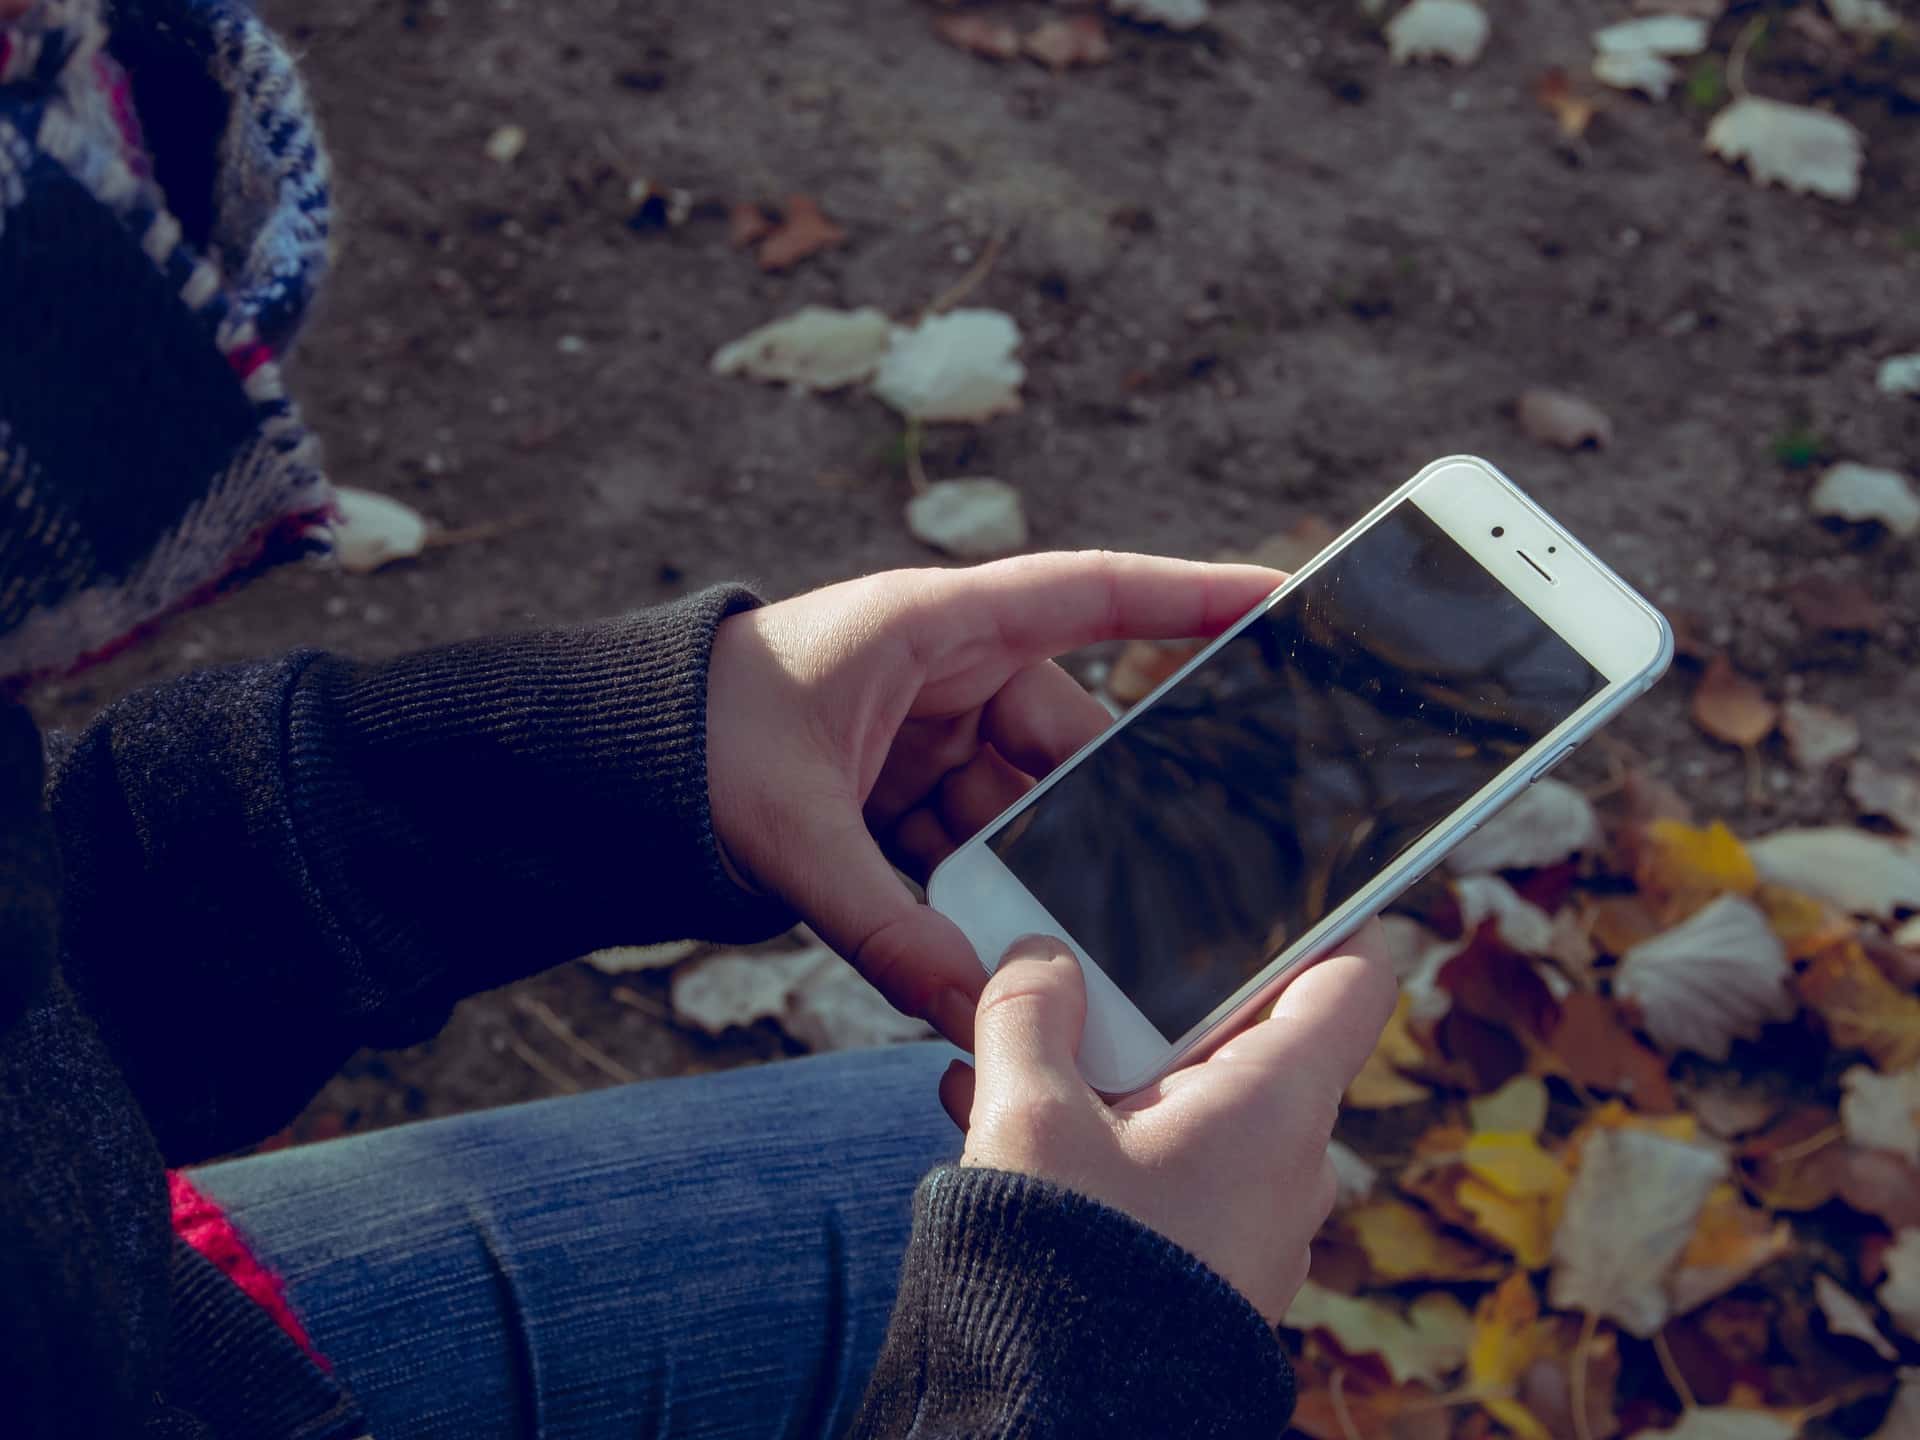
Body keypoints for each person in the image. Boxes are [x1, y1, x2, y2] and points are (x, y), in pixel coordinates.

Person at [0, 2, 1395, 1436]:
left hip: (120, 1306)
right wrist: (1101, 1366)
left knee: (927, 1147)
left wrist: (618, 748)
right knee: (1062, 1202)